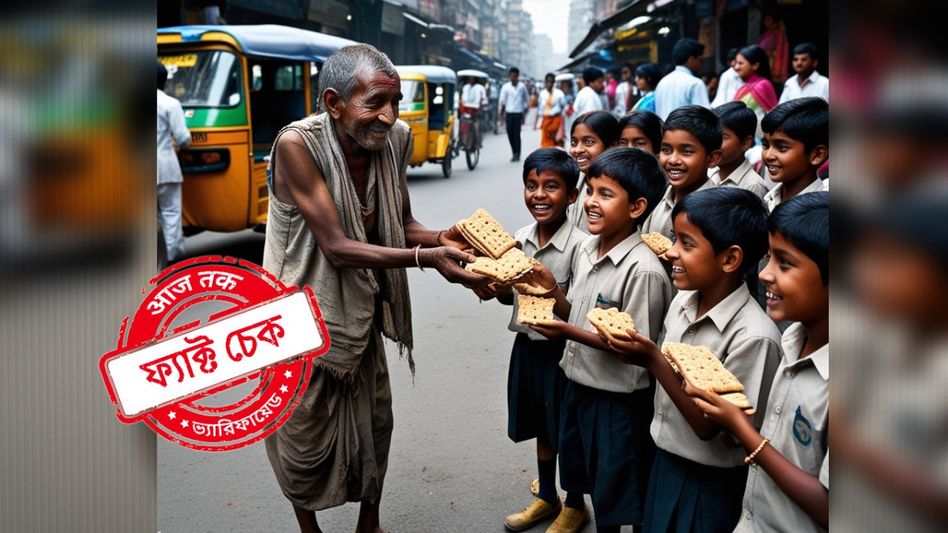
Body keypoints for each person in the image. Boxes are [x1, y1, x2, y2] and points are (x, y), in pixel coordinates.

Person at [261, 44, 486, 533]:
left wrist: (449, 238)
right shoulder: (297, 146)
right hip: (299, 315)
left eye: (396, 103)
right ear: (333, 102)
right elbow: (338, 247)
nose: (388, 117)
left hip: (360, 309)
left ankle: (371, 522)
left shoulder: (395, 139)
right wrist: (428, 258)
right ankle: (310, 529)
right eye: (374, 104)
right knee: (299, 435)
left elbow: (401, 223)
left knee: (374, 422)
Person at [605, 186, 781, 533]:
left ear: (730, 259)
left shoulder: (753, 337)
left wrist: (653, 359)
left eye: (686, 243)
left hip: (708, 483)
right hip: (665, 460)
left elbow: (710, 428)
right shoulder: (682, 303)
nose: (671, 253)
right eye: (675, 238)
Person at [528, 148, 672, 533]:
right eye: (590, 190)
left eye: (605, 194)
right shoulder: (588, 249)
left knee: (621, 494)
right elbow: (576, 310)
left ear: (638, 206)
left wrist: (567, 332)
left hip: (618, 403)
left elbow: (633, 349)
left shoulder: (644, 271)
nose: (590, 201)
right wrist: (553, 293)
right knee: (591, 481)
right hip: (579, 386)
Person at [688, 192, 830, 532]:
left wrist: (741, 430)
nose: (764, 275)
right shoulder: (793, 342)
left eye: (785, 262)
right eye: (767, 258)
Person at [474, 148, 591, 533]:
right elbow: (512, 295)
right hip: (527, 347)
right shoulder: (518, 240)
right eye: (531, 185)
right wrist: (497, 290)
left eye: (551, 187)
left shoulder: (582, 247)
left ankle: (575, 504)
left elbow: (580, 311)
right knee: (542, 425)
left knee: (567, 429)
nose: (539, 195)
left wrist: (551, 288)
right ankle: (546, 498)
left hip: (565, 350)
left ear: (572, 196)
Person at [641, 105, 722, 242]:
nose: (673, 160)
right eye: (666, 150)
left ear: (712, 158)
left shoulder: (715, 210)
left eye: (687, 152)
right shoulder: (661, 196)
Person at [760, 97, 829, 212]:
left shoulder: (821, 213)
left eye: (782, 148)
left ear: (817, 155)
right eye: (765, 145)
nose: (768, 155)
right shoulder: (768, 201)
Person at [156, 60, 191, 263]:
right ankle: (173, 261)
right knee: (171, 215)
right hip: (166, 167)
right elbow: (183, 138)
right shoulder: (170, 104)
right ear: (164, 81)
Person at [565, 111, 620, 232]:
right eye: (574, 142)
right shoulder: (577, 181)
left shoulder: (619, 187)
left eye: (588, 142)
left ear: (612, 146)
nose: (577, 150)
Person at [710, 101, 770, 198]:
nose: (713, 142)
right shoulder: (711, 174)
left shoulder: (752, 187)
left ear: (745, 143)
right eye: (712, 135)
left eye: (723, 137)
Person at [654, 38, 710, 120]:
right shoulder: (695, 83)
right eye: (701, 59)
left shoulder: (662, 83)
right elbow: (703, 118)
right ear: (691, 59)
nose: (703, 63)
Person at [734, 44, 779, 131]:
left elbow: (773, 114)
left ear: (755, 65)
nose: (736, 67)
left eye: (740, 63)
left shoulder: (763, 85)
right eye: (736, 63)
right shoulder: (744, 86)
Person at [499, 66, 531, 162]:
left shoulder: (522, 86)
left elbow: (526, 99)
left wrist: (525, 112)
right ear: (509, 76)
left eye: (515, 76)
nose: (513, 78)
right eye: (512, 76)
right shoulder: (505, 87)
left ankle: (517, 153)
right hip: (509, 113)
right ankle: (514, 151)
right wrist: (501, 115)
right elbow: (502, 101)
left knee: (516, 134)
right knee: (509, 133)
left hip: (518, 113)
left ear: (518, 76)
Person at [756, 13, 790, 85]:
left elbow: (781, 53)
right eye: (766, 20)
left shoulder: (779, 34)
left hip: (773, 65)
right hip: (762, 64)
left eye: (770, 20)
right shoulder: (764, 35)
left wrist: (778, 70)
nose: (768, 23)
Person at [535, 73, 567, 148]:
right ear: (545, 82)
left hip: (556, 120)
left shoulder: (559, 94)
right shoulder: (542, 94)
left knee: (557, 141)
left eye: (551, 82)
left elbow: (563, 106)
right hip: (546, 120)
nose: (550, 84)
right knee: (546, 143)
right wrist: (538, 122)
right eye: (548, 82)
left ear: (554, 83)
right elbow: (540, 109)